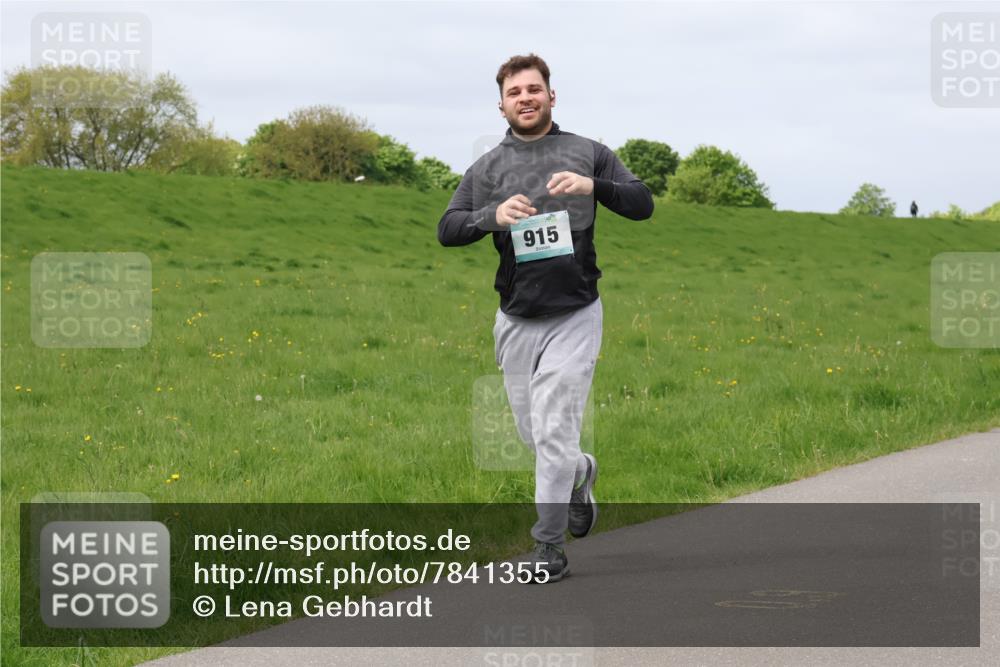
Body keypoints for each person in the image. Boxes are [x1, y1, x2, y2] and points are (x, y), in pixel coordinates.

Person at [437, 53, 655, 583]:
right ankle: (579, 473)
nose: (526, 99)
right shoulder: (488, 167)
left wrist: (592, 187)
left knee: (555, 428)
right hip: (515, 317)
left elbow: (642, 202)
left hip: (575, 312)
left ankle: (548, 547)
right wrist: (492, 217)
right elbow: (448, 227)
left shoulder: (589, 152)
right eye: (516, 93)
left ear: (551, 96)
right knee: (534, 436)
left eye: (534, 89)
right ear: (502, 105)